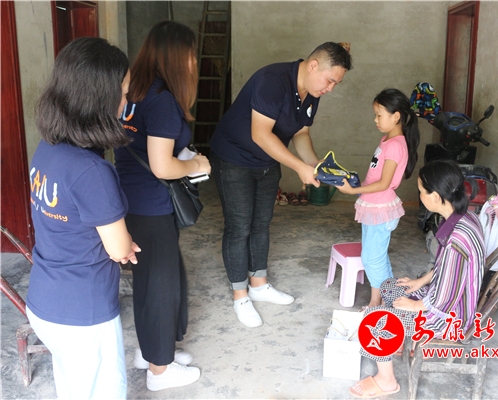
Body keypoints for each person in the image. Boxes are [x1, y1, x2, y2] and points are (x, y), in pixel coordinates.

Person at [209, 42, 353, 327]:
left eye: (336, 84)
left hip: (266, 162)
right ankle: (240, 296)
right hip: (234, 159)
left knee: (261, 224)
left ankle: (259, 284)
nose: (330, 89)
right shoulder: (272, 81)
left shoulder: (312, 92)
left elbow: (301, 133)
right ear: (313, 66)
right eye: (329, 81)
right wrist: (299, 167)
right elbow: (261, 135)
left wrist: (316, 167)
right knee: (239, 227)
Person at [26, 37, 139, 399]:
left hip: (45, 300)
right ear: (100, 99)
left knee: (75, 387)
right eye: (123, 92)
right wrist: (124, 244)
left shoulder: (47, 149)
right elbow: (118, 248)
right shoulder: (92, 171)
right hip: (82, 310)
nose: (127, 101)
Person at [114, 21, 210, 391]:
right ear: (178, 57)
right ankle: (160, 371)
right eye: (191, 54)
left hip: (131, 199)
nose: (194, 62)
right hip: (152, 204)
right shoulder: (163, 100)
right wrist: (196, 165)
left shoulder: (136, 92)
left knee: (150, 280)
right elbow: (162, 166)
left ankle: (151, 351)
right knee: (160, 285)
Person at [349, 160, 485, 398]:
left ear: (436, 196)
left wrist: (416, 306)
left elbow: (447, 295)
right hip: (447, 299)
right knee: (390, 286)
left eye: (422, 191)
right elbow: (448, 269)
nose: (420, 196)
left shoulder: (457, 240)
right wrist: (419, 282)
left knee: (374, 319)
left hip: (449, 316)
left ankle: (387, 381)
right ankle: (399, 339)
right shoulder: (464, 218)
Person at [338, 88, 420, 309]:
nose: (375, 120)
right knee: (375, 256)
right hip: (374, 205)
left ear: (396, 116)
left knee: (372, 258)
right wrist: (357, 184)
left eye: (379, 115)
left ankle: (381, 301)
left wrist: (352, 191)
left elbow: (384, 183)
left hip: (380, 208)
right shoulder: (387, 140)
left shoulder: (395, 146)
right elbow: (376, 175)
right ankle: (386, 297)